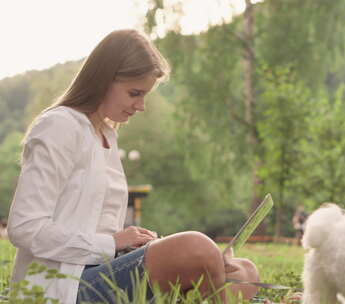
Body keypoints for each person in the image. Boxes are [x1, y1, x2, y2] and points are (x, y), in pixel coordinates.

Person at [7, 29, 259, 304]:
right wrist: (113, 243)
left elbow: (98, 227)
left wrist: (139, 245)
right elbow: (24, 227)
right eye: (134, 93)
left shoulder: (105, 134)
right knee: (196, 248)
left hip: (102, 269)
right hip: (63, 286)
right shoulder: (60, 126)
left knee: (245, 272)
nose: (140, 106)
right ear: (104, 79)